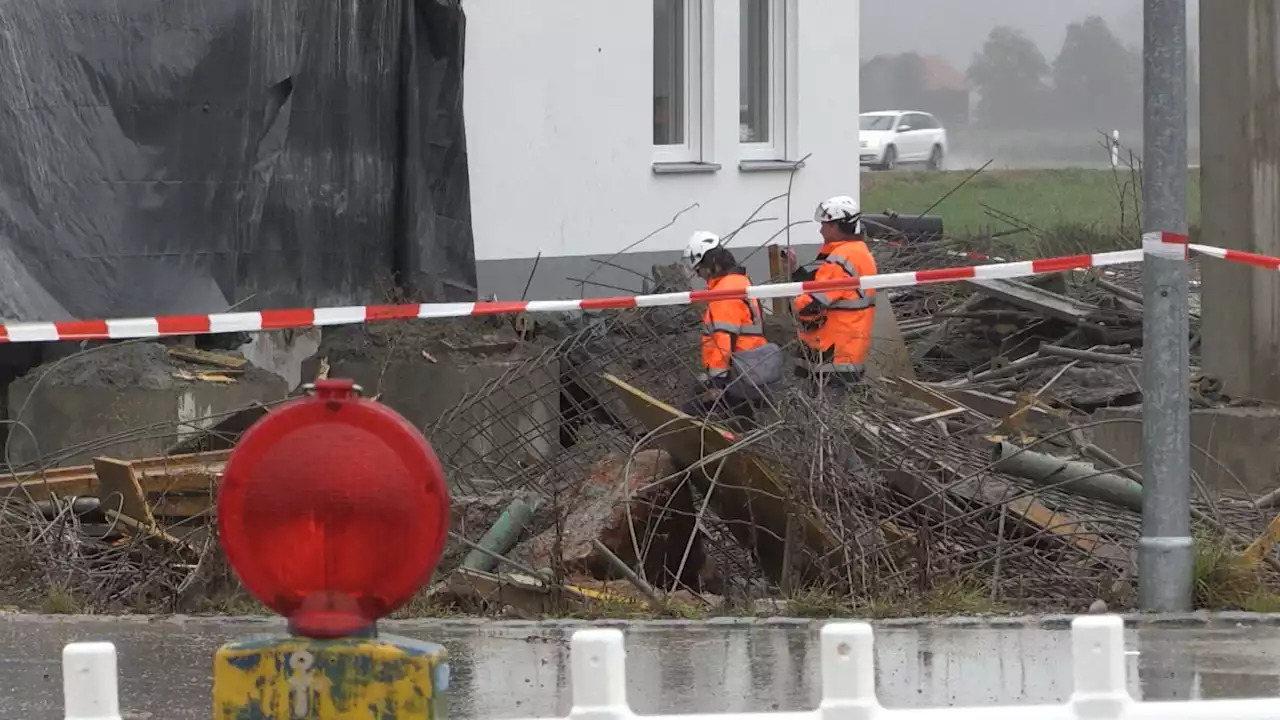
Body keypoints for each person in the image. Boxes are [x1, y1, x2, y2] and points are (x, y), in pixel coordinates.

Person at [680, 231, 783, 427]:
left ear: (711, 264)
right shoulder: (740, 281)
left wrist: (718, 381)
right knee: (745, 422)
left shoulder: (725, 291)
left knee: (697, 413)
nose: (699, 274)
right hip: (750, 366)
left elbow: (723, 337)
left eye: (700, 268)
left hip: (737, 372)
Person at [791, 196, 878, 394]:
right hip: (844, 347)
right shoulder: (855, 252)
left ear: (837, 226)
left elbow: (810, 303)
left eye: (825, 224)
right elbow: (823, 288)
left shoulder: (842, 259)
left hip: (833, 350)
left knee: (826, 411)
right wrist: (797, 273)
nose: (821, 229)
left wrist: (794, 302)